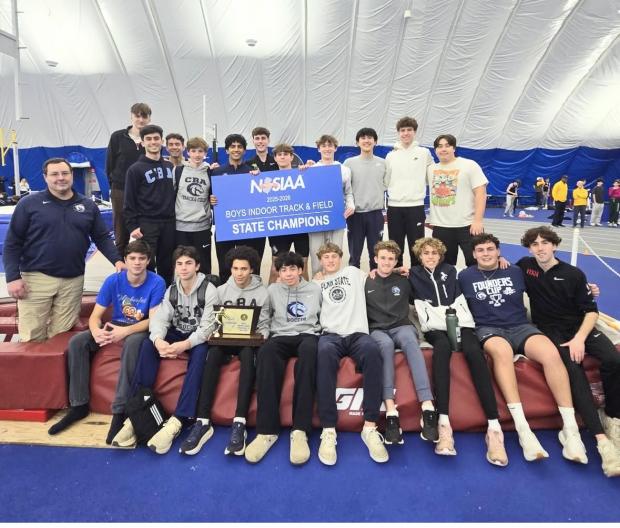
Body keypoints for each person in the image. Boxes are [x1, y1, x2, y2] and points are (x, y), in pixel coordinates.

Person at [458, 233, 587, 464]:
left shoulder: (517, 271)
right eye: (481, 250)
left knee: (551, 354)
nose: (486, 254)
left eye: (490, 249)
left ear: (499, 251)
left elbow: (548, 284)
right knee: (503, 353)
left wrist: (587, 290)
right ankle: (523, 428)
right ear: (473, 254)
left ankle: (570, 428)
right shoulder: (465, 276)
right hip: (488, 328)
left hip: (520, 326)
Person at [517, 226, 620, 477]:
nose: (540, 248)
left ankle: (612, 416)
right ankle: (601, 441)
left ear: (554, 245)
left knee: (613, 359)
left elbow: (591, 311)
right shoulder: (525, 267)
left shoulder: (573, 274)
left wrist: (579, 339)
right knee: (574, 371)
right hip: (550, 329)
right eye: (535, 244)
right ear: (529, 249)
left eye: (545, 243)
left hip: (579, 326)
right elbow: (501, 268)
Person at [47, 240, 165, 441]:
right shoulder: (113, 280)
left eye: (142, 258)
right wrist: (96, 331)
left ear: (148, 261)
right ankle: (79, 405)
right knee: (77, 342)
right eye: (132, 258)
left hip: (140, 328)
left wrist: (124, 332)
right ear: (125, 260)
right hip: (115, 324)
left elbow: (154, 321)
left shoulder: (157, 282)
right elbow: (95, 316)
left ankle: (119, 411)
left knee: (132, 344)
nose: (137, 263)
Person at [409, 237, 508, 466]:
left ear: (441, 255)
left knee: (475, 353)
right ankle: (444, 423)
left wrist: (501, 259)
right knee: (441, 351)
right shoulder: (413, 274)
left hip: (462, 323)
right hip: (435, 328)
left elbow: (481, 271)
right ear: (419, 256)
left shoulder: (452, 271)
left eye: (434, 253)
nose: (430, 257)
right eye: (426, 253)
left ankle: (494, 428)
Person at [111, 246, 218, 453]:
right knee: (147, 344)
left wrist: (184, 345)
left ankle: (179, 419)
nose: (184, 268)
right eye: (179, 264)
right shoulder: (172, 290)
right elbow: (159, 319)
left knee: (201, 353)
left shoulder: (209, 290)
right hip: (178, 332)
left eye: (188, 263)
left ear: (197, 266)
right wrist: (158, 340)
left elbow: (207, 328)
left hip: (197, 337)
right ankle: (137, 412)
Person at [3, 158, 123, 342]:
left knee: (62, 336)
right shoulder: (29, 204)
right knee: (31, 337)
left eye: (65, 173)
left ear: (72, 175)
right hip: (36, 279)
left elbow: (102, 238)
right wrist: (12, 277)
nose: (61, 178)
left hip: (72, 280)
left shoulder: (88, 205)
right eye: (55, 174)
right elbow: (13, 243)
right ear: (45, 177)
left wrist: (117, 260)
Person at [179, 246, 271, 456]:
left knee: (248, 355)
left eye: (244, 269)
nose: (239, 273)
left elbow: (265, 325)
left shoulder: (263, 293)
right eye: (235, 268)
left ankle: (239, 422)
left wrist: (261, 336)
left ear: (252, 269)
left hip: (248, 341)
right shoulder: (220, 291)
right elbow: (212, 321)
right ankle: (203, 421)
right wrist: (212, 333)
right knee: (212, 355)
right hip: (224, 339)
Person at [244, 251, 321, 465]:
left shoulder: (315, 289)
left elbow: (325, 314)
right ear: (278, 272)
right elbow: (265, 317)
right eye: (283, 270)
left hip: (307, 334)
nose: (288, 274)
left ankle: (300, 430)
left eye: (292, 269)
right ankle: (267, 431)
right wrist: (263, 335)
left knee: (309, 354)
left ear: (300, 270)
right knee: (266, 353)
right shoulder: (272, 290)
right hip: (280, 335)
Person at [314, 242, 388, 465]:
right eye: (326, 257)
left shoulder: (353, 273)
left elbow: (379, 272)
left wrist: (396, 269)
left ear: (340, 258)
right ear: (320, 261)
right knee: (323, 354)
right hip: (331, 335)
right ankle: (328, 429)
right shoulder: (316, 283)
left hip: (357, 334)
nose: (330, 260)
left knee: (373, 351)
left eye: (334, 256)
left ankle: (370, 426)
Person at [365, 240, 438, 446]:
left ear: (396, 261)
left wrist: (405, 271)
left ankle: (427, 406)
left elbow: (427, 282)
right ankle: (391, 411)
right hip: (377, 329)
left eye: (391, 259)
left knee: (410, 341)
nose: (386, 262)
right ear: (375, 259)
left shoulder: (404, 279)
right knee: (386, 346)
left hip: (401, 325)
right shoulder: (366, 281)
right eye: (383, 258)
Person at [210, 134, 266, 281]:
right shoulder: (217, 172)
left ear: (244, 150)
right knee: (225, 266)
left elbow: (261, 197)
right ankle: (225, 292)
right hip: (225, 226)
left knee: (249, 264)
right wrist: (211, 199)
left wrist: (258, 178)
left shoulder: (253, 172)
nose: (236, 149)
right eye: (232, 147)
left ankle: (252, 292)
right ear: (226, 150)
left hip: (247, 227)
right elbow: (210, 196)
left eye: (239, 147)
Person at [427, 134, 488, 267]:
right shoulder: (431, 169)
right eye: (439, 146)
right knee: (444, 267)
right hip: (441, 227)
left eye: (447, 146)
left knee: (476, 263)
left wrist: (478, 221)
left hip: (468, 226)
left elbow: (481, 193)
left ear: (454, 148)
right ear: (435, 150)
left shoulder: (469, 165)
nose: (443, 149)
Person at [385, 117, 433, 267]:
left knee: (417, 246)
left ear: (415, 132)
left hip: (416, 207)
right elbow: (385, 181)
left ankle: (418, 275)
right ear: (398, 133)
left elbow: (432, 177)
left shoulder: (424, 153)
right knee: (395, 246)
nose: (406, 133)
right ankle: (397, 275)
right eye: (402, 130)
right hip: (394, 207)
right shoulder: (391, 155)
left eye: (409, 130)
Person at [106, 102, 151, 256]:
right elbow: (109, 164)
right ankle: (120, 264)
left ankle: (144, 263)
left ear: (149, 118)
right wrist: (115, 186)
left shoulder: (151, 139)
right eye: (137, 116)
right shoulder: (118, 137)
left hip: (144, 192)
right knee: (121, 231)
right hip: (120, 189)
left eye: (144, 116)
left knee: (145, 231)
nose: (141, 120)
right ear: (131, 117)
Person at [307, 135, 355, 275]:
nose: (327, 148)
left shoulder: (344, 170)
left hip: (337, 216)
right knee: (316, 253)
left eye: (330, 145)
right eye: (324, 146)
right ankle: (317, 281)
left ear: (335, 148)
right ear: (318, 149)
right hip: (316, 218)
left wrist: (351, 205)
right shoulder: (311, 169)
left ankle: (334, 280)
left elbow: (348, 192)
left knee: (335, 252)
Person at [266, 143, 311, 283]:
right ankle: (270, 297)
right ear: (275, 158)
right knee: (275, 269)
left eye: (285, 154)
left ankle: (306, 294)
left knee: (303, 267)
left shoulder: (302, 174)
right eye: (279, 154)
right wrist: (254, 176)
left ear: (292, 157)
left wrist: (310, 168)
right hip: (279, 229)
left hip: (300, 227)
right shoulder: (268, 179)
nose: (282, 157)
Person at [343, 127, 387, 270]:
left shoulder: (383, 163)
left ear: (375, 142)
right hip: (355, 215)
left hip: (375, 215)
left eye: (370, 138)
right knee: (354, 255)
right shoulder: (349, 163)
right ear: (357, 142)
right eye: (363, 138)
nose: (366, 141)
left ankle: (375, 280)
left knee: (376, 254)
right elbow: (342, 187)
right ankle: (354, 278)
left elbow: (387, 184)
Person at [175, 136, 213, 274]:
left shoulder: (209, 172)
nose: (197, 155)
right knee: (183, 264)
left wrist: (213, 200)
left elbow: (213, 196)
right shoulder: (178, 171)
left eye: (200, 151)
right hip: (181, 227)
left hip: (202, 226)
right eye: (194, 151)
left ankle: (205, 287)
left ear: (205, 153)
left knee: (203, 264)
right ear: (188, 152)